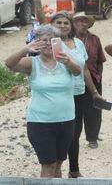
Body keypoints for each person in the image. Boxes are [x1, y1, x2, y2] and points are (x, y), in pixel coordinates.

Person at [5, 24, 81, 177]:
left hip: (67, 121)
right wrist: (25, 50)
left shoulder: (65, 61)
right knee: (48, 165)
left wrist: (68, 62)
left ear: (58, 42)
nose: (47, 43)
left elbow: (78, 71)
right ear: (36, 42)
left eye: (52, 40)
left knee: (59, 163)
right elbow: (9, 64)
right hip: (40, 123)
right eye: (43, 40)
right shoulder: (32, 63)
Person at [50, 11, 102, 178]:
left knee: (75, 132)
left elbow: (85, 69)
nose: (63, 26)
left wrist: (94, 92)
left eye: (66, 23)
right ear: (53, 25)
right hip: (61, 95)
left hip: (78, 93)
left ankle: (74, 169)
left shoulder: (78, 43)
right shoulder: (54, 43)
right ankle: (56, 168)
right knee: (62, 132)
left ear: (70, 25)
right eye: (59, 23)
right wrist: (37, 3)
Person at [72, 12, 107, 149]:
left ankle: (93, 137)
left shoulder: (94, 39)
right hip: (74, 78)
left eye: (85, 21)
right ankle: (73, 136)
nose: (82, 24)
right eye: (78, 21)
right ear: (73, 24)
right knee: (76, 109)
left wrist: (99, 77)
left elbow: (100, 60)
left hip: (93, 77)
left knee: (95, 109)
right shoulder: (69, 40)